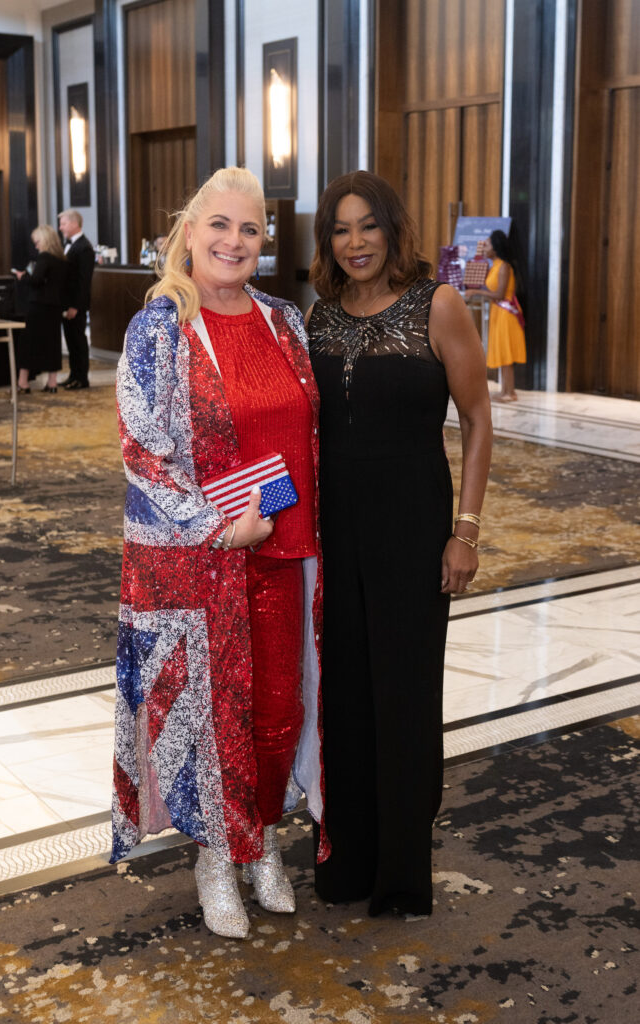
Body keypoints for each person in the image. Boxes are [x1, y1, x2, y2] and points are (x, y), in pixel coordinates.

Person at [111, 167, 328, 940]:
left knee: (277, 711)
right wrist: (217, 525)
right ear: (190, 231)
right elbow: (144, 451)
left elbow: (302, 440)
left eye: (250, 230)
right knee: (209, 718)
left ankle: (262, 838)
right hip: (200, 560)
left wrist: (268, 519)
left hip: (283, 548)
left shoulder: (283, 320)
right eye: (220, 226)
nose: (234, 242)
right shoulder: (162, 326)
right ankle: (214, 858)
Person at [306, 170, 492, 918]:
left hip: (413, 525)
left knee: (404, 696)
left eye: (367, 227)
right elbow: (298, 436)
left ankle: (400, 875)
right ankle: (344, 857)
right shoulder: (318, 317)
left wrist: (466, 533)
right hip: (331, 526)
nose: (354, 243)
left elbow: (477, 420)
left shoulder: (436, 304)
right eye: (340, 230)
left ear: (392, 229)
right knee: (344, 695)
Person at [465, 229, 526, 401]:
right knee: (501, 350)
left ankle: (510, 392)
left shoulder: (504, 266)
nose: (484, 247)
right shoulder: (495, 266)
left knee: (506, 353)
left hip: (506, 313)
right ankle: (505, 390)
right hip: (498, 312)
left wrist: (475, 291)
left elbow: (499, 294)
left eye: (488, 244)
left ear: (496, 247)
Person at [13, 225, 68, 394]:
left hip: (38, 307)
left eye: (37, 242)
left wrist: (23, 277)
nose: (35, 245)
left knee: (28, 343)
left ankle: (23, 382)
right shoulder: (61, 259)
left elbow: (36, 280)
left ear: (44, 240)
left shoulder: (44, 257)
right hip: (55, 307)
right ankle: (52, 383)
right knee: (52, 344)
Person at [58, 208, 95, 390]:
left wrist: (75, 306)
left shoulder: (85, 247)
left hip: (76, 305)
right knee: (71, 341)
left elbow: (83, 281)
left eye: (63, 223)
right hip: (67, 303)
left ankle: (82, 378)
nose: (61, 227)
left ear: (74, 224)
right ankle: (73, 375)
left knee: (79, 341)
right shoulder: (70, 244)